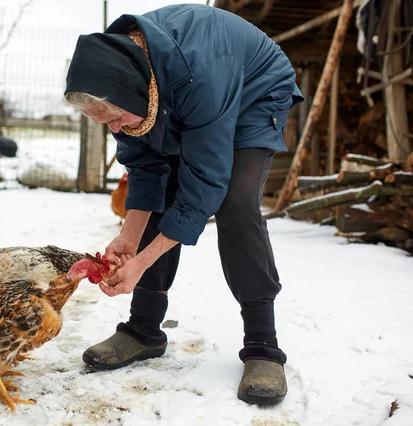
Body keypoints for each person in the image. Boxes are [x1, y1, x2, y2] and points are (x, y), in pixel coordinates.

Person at [64, 4, 303, 406]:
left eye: (116, 119)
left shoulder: (201, 73)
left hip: (253, 92)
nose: (116, 129)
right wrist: (129, 235)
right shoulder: (121, 76)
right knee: (163, 192)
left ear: (133, 93)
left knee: (236, 203)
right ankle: (143, 329)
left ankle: (263, 345)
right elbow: (145, 170)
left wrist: (139, 263)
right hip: (183, 90)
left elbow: (206, 183)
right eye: (106, 123)